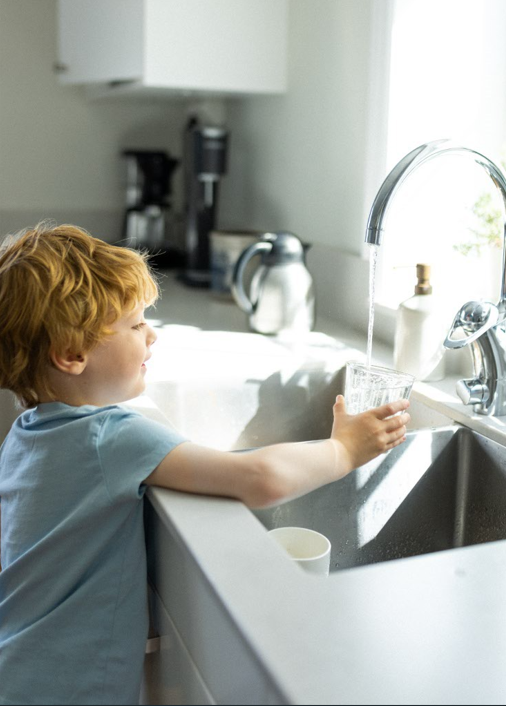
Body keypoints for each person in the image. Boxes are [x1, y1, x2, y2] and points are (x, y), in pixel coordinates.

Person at [0, 223, 410, 706]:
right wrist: (343, 450)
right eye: (135, 325)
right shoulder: (107, 436)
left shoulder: (25, 434)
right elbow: (261, 478)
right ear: (71, 355)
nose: (151, 334)